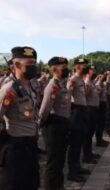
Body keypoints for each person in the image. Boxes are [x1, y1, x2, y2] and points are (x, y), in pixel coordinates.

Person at [0, 46, 40, 190]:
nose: (33, 67)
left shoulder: (29, 87)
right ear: (16, 65)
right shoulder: (10, 89)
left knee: (31, 184)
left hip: (31, 145)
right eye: (29, 63)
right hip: (16, 147)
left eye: (34, 63)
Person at [39, 56, 71, 190]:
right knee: (53, 162)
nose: (66, 70)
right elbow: (45, 110)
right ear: (55, 70)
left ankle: (58, 186)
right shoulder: (52, 86)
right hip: (54, 126)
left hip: (62, 125)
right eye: (63, 68)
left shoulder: (61, 84)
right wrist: (39, 126)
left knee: (59, 161)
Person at [67, 58, 90, 182]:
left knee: (80, 140)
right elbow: (67, 96)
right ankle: (72, 172)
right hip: (76, 111)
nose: (86, 67)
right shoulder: (73, 80)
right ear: (77, 66)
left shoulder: (81, 79)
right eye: (83, 65)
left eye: (86, 65)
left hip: (83, 110)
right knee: (75, 143)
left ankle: (77, 166)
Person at [83, 65, 101, 164]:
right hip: (89, 110)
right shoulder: (87, 83)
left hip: (93, 109)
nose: (94, 72)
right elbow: (84, 95)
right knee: (87, 134)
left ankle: (89, 153)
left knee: (90, 134)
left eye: (95, 70)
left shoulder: (91, 82)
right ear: (87, 72)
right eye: (92, 71)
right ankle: (86, 155)